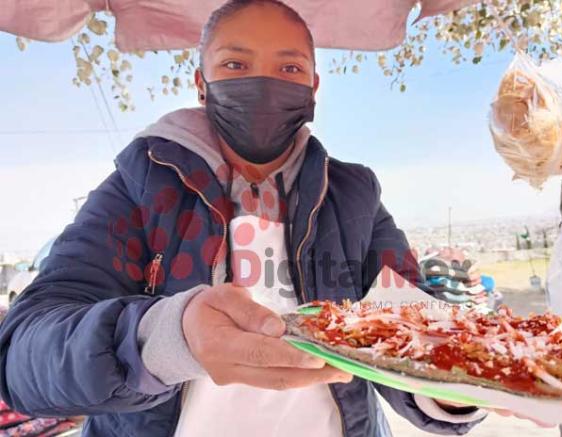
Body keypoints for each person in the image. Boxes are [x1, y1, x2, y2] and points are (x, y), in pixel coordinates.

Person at [0, 1, 520, 435]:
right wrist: (166, 337)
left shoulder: (353, 195)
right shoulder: (141, 185)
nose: (264, 84)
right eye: (235, 65)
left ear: (313, 88)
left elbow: (406, 331)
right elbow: (23, 353)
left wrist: (457, 387)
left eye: (289, 68)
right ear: (201, 83)